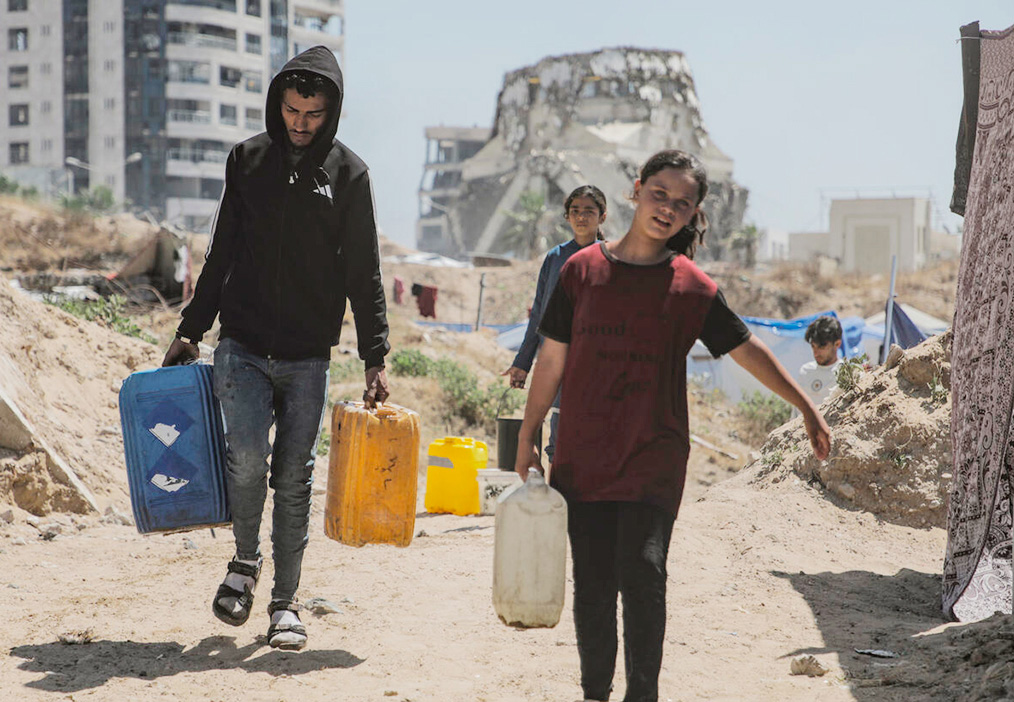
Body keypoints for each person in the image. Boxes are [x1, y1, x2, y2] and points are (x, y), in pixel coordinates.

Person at [513, 150, 830, 702]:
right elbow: (552, 360)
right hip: (583, 456)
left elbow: (746, 348)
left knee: (642, 574)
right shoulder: (580, 272)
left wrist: (807, 406)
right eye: (659, 194)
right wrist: (527, 434)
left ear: (693, 215)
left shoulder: (692, 288)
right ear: (636, 191)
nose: (668, 209)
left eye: (683, 204)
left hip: (652, 457)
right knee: (591, 587)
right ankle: (595, 694)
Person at [161, 45, 390, 651]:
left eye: (314, 114)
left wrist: (376, 356)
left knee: (293, 475)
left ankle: (285, 606)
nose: (300, 123)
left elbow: (363, 273)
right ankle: (243, 565)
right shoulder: (249, 160)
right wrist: (191, 329)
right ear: (277, 103)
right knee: (244, 460)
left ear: (331, 112)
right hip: (241, 343)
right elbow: (223, 251)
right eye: (292, 109)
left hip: (308, 353)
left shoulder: (349, 175)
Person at [502, 185, 607, 462]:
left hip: (597, 362)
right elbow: (539, 314)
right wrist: (523, 363)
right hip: (556, 361)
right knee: (558, 437)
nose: (581, 217)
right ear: (567, 216)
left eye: (589, 211)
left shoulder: (612, 258)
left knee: (594, 431)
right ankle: (559, 498)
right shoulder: (555, 258)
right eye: (575, 211)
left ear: (602, 217)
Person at [799, 315, 844, 406]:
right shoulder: (805, 371)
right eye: (813, 346)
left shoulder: (845, 373)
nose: (816, 353)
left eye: (821, 347)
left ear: (837, 344)